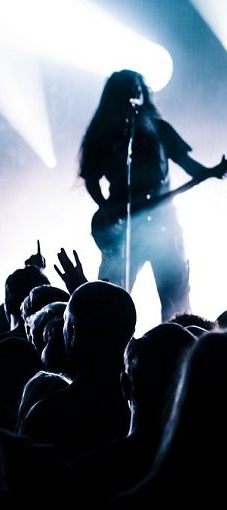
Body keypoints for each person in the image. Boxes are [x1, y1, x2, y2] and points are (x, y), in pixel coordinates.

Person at [79, 69, 226, 321]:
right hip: (124, 231)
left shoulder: (159, 130)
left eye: (138, 90)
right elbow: (90, 178)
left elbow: (188, 164)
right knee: (110, 299)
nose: (134, 96)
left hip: (164, 227)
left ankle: (178, 339)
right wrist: (108, 210)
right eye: (128, 91)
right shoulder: (103, 135)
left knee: (176, 300)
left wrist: (213, 171)